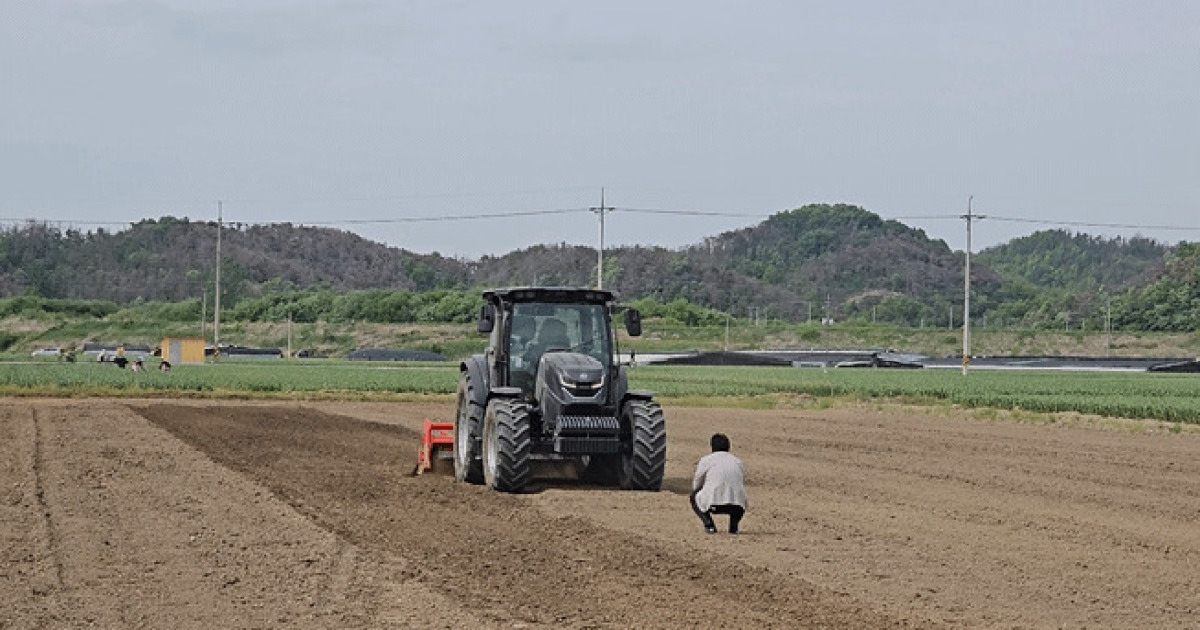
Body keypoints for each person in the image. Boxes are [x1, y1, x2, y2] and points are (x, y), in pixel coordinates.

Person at [690, 433, 748, 534]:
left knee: (694, 496)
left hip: (714, 504)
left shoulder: (706, 460)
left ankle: (709, 526)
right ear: (728, 447)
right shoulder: (737, 461)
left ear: (712, 447)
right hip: (737, 506)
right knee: (739, 494)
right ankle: (733, 527)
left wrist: (700, 491)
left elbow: (697, 482)